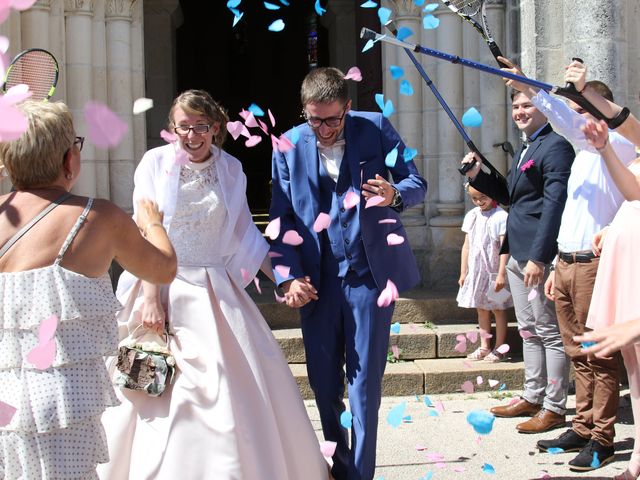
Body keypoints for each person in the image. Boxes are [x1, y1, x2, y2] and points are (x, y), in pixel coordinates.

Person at [97, 90, 330, 480]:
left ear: (216, 128)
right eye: (182, 127)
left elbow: (244, 236)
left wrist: (286, 279)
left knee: (226, 385)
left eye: (200, 126)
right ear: (173, 129)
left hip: (212, 288)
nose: (191, 135)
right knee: (152, 386)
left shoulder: (231, 169)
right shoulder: (154, 163)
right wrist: (152, 297)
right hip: (159, 284)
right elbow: (145, 229)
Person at [0, 100, 177, 479]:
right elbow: (163, 269)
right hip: (61, 406)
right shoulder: (98, 217)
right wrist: (153, 223)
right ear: (69, 160)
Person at [269, 67, 427, 480]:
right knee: (323, 386)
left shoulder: (375, 128)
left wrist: (395, 195)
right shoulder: (286, 144)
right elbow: (282, 216)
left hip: (369, 278)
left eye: (333, 119)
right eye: (314, 119)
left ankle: (361, 473)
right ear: (304, 110)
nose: (323, 128)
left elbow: (417, 181)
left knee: (363, 388)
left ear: (348, 108)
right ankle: (340, 468)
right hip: (316, 282)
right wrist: (286, 276)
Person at [499, 58, 637, 471]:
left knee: (599, 355)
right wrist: (555, 263)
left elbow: (567, 116)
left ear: (602, 113)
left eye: (584, 113)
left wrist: (546, 90)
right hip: (568, 261)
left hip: (597, 264)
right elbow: (568, 216)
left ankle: (602, 438)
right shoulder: (580, 152)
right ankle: (581, 423)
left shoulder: (623, 147)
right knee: (577, 351)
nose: (576, 122)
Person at [462, 89, 574, 434]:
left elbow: (554, 205)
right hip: (515, 251)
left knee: (549, 331)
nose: (519, 111)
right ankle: (532, 394)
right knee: (527, 330)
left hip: (535, 255)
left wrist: (540, 258)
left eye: (527, 105)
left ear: (544, 109)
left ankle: (554, 406)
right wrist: (477, 173)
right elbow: (511, 195)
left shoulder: (556, 146)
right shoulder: (528, 146)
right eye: (515, 106)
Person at [575, 114, 640, 480]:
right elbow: (634, 195)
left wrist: (584, 92)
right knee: (635, 373)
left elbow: (623, 120)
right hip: (626, 265)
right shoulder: (635, 155)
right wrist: (612, 228)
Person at [457, 184, 511, 362]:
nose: (479, 201)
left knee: (498, 308)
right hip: (477, 271)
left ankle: (500, 347)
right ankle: (484, 345)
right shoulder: (472, 216)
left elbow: (505, 248)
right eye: (474, 198)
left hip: (494, 272)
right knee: (481, 308)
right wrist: (464, 271)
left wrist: (502, 274)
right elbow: (467, 245)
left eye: (482, 197)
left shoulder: (501, 217)